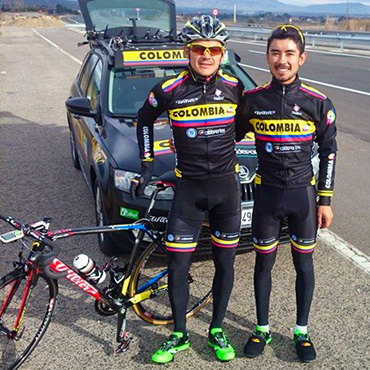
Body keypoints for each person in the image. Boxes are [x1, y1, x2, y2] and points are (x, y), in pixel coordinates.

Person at [130, 15, 245, 363]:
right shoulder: (168, 90)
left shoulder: (236, 88)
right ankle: (179, 334)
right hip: (188, 193)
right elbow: (144, 121)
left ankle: (217, 330)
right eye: (199, 48)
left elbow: (243, 129)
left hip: (226, 190)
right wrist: (147, 165)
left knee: (225, 263)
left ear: (222, 53)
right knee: (179, 267)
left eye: (213, 49)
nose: (206, 55)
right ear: (188, 51)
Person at [235, 24, 337, 363]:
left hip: (303, 198)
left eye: (289, 54)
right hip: (267, 196)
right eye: (276, 53)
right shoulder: (251, 100)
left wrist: (325, 200)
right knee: (263, 265)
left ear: (301, 58)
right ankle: (261, 328)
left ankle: (301, 331)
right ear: (267, 56)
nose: (282, 60)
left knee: (303, 265)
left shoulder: (318, 103)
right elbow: (227, 136)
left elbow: (330, 152)